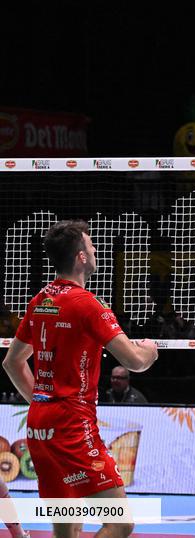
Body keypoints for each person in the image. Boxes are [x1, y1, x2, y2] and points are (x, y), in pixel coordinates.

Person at [3, 220, 158, 538]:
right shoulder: (88, 305)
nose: (96, 249)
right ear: (80, 257)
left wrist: (42, 401)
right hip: (74, 425)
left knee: (68, 526)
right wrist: (151, 351)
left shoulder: (40, 301)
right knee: (120, 522)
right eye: (91, 245)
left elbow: (12, 362)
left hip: (39, 424)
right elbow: (135, 362)